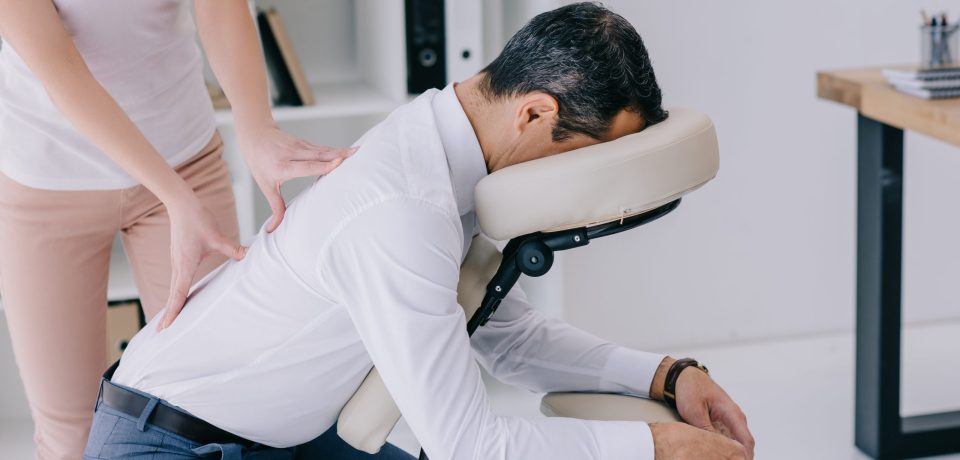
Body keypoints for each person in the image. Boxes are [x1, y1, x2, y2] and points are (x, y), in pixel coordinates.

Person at [86, 3, 755, 460]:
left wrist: (667, 377)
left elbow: (505, 333)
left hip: (274, 433)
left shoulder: (447, 152)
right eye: (587, 155)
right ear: (534, 113)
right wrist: (656, 446)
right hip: (171, 441)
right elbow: (470, 447)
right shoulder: (402, 210)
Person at [0, 1, 351, 458]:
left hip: (186, 158)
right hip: (48, 187)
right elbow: (61, 70)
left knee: (219, 403)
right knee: (71, 436)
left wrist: (256, 127)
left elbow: (221, 11)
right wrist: (175, 195)